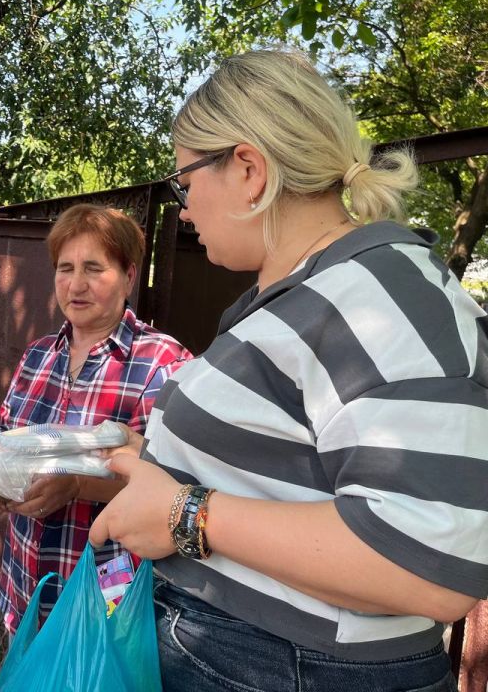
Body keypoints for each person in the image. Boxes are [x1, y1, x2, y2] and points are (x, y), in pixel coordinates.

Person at [89, 49, 487, 691]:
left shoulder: (381, 295)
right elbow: (298, 472)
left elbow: (432, 561)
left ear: (249, 170)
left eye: (185, 182)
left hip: (293, 667)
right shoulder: (312, 291)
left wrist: (185, 513)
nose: (184, 208)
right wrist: (159, 463)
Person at [0, 203, 191, 636]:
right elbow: (5, 439)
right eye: (65, 268)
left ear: (129, 276)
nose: (76, 284)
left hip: (104, 604)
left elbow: (175, 485)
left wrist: (78, 485)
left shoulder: (163, 363)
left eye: (94, 269)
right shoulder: (37, 355)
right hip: (24, 586)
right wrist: (0, 481)